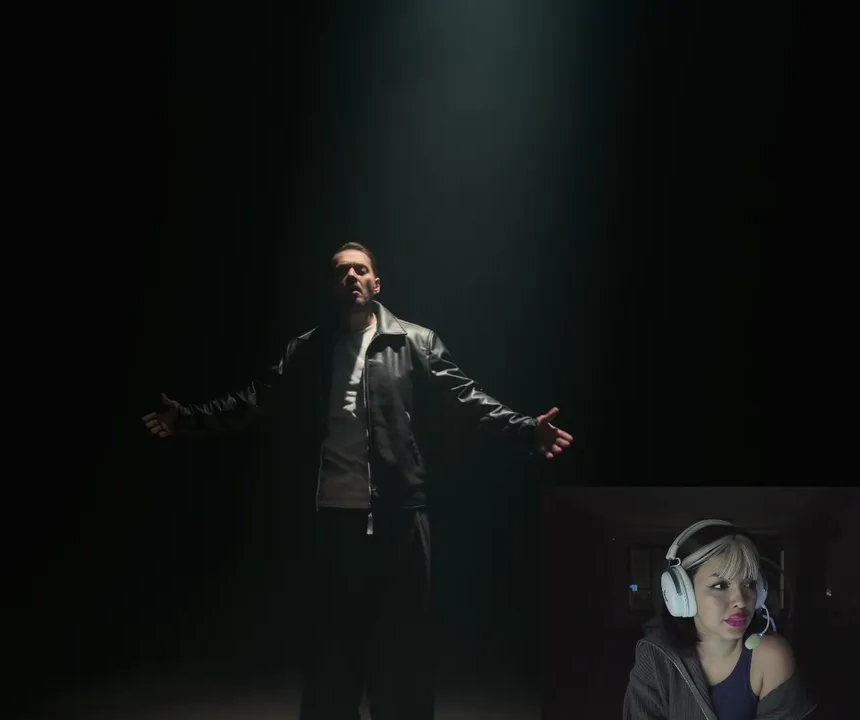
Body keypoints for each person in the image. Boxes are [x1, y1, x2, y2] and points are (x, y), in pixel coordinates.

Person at [140, 242, 573, 719]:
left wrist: (525, 429)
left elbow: (465, 398)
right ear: (333, 286)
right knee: (332, 653)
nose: (351, 276)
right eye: (342, 271)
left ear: (376, 284)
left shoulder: (414, 341)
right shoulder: (308, 350)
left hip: (399, 518)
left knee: (403, 653)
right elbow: (255, 400)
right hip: (332, 519)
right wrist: (188, 418)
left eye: (361, 270)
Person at [623, 519, 817, 720]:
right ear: (681, 593)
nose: (741, 601)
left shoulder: (771, 657)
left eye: (749, 584)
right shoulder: (654, 657)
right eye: (720, 586)